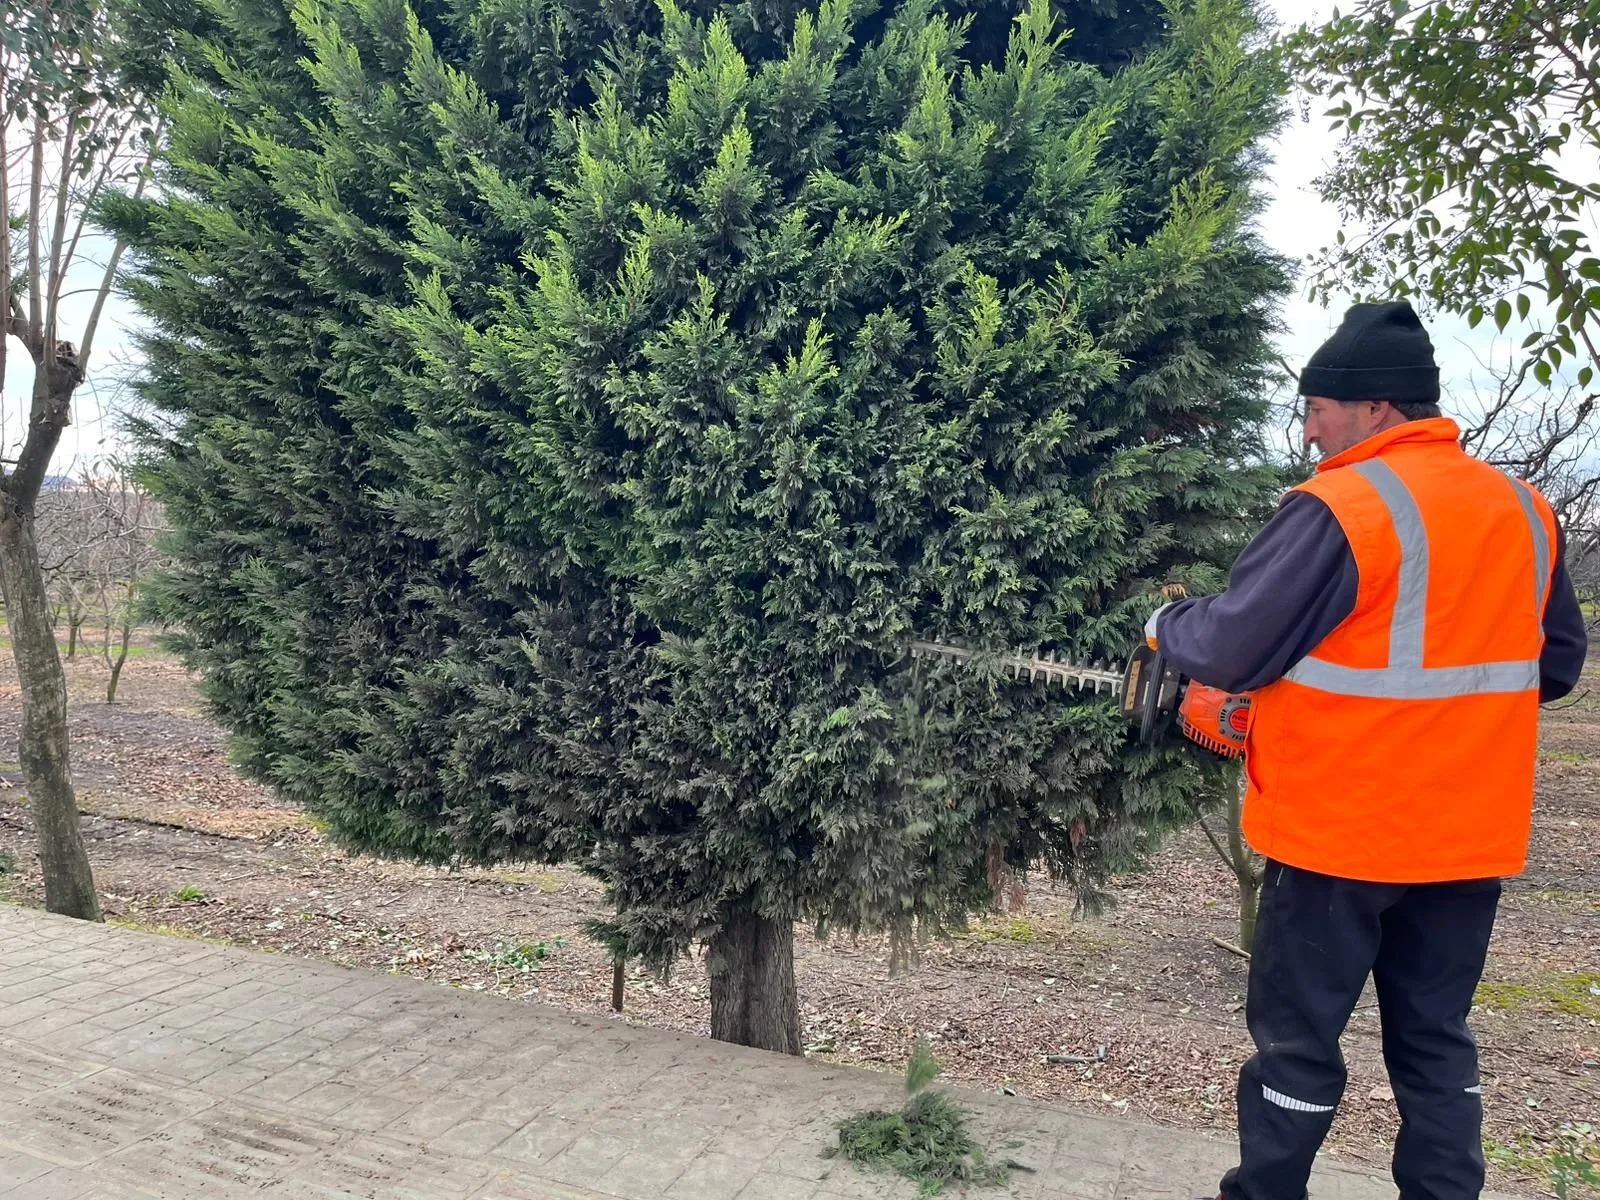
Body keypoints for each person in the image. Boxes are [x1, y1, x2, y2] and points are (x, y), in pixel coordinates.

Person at [1146, 299, 1588, 1200]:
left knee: (1298, 1045)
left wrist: (1165, 626)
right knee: (1435, 1040)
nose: (1309, 431)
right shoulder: (1525, 509)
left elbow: (1234, 643)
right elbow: (1555, 667)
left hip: (1340, 837)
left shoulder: (1345, 506)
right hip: (1466, 840)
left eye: (1317, 410)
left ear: (1374, 407)